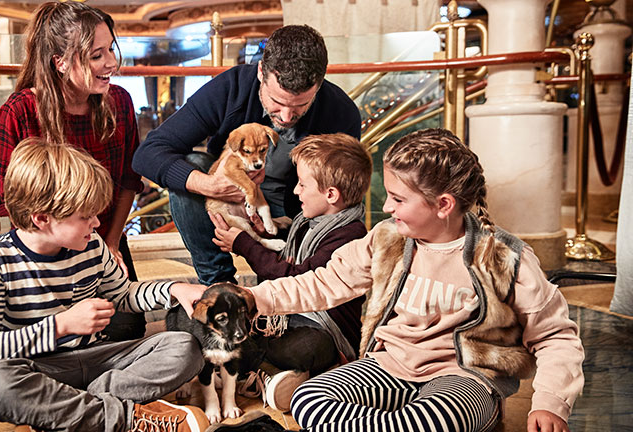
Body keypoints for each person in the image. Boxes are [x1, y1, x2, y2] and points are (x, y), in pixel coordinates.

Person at [237, 128, 586, 432]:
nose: (386, 206)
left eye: (398, 199)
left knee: (437, 419)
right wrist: (251, 299)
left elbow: (556, 336)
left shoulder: (503, 257)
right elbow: (324, 282)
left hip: (464, 379)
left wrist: (550, 401)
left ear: (443, 205)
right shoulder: (387, 239)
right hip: (389, 365)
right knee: (309, 398)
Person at [0, 139, 210, 432]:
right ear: (42, 218)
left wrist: (174, 289)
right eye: (85, 216)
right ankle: (127, 418)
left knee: (185, 347)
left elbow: (125, 295)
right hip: (38, 369)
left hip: (99, 360)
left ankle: (67, 411)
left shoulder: (92, 245)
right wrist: (62, 325)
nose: (95, 223)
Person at [132, 24, 362, 286]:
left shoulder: (341, 113)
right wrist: (210, 185)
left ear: (319, 84)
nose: (286, 117)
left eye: (300, 105)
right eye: (277, 102)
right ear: (261, 72)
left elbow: (342, 201)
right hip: (227, 208)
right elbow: (148, 154)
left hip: (298, 213)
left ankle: (281, 279)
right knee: (191, 165)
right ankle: (218, 284)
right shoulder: (231, 88)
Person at [0, 1, 147, 341]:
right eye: (96, 55)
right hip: (43, 253)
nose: (111, 63)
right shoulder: (19, 112)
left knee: (127, 331)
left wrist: (110, 245)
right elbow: (9, 206)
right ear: (59, 62)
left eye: (110, 50)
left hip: (103, 242)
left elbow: (128, 182)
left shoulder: (119, 102)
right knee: (54, 341)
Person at [209, 133, 371, 412]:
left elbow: (295, 277)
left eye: (302, 184)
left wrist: (245, 244)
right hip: (287, 318)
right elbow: (290, 252)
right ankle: (282, 376)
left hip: (325, 328)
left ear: (331, 195)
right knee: (231, 329)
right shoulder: (309, 220)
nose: (295, 191)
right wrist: (263, 233)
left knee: (304, 347)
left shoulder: (351, 235)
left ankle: (263, 371)